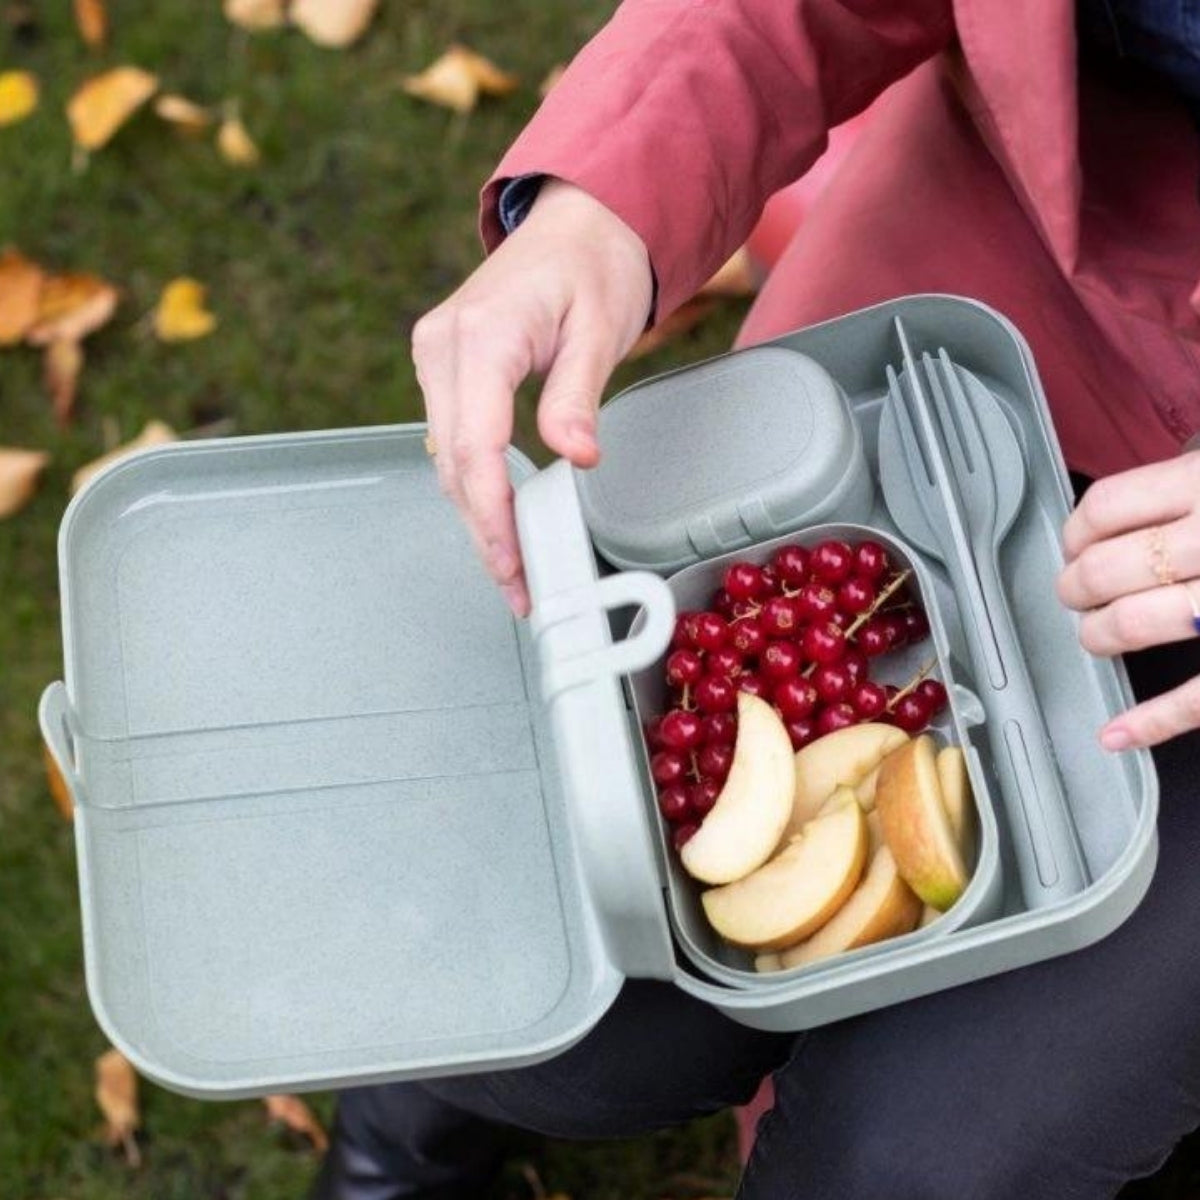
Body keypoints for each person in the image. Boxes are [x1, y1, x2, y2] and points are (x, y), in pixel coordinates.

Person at [315, 2, 1200, 1196]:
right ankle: (399, 1144)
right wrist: (597, 209)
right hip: (992, 295)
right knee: (541, 913)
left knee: (918, 1157)